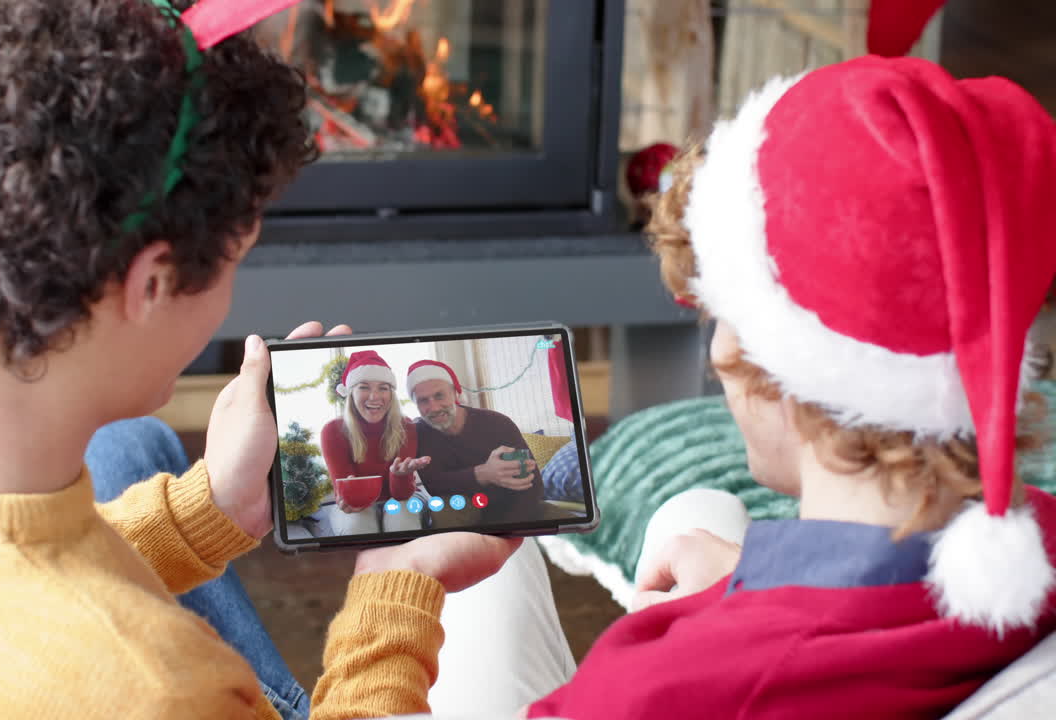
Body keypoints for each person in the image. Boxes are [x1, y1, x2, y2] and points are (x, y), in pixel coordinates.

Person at [0, 0, 521, 718]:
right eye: (238, 259)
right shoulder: (162, 690)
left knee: (131, 446)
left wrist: (215, 507)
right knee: (510, 597)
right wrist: (395, 582)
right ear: (153, 283)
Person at [325, 55, 1056, 720]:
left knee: (475, 585)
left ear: (744, 352)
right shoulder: (1036, 552)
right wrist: (746, 581)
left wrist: (392, 586)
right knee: (697, 511)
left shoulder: (661, 690)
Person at [406, 359, 546, 526]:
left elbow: (532, 485)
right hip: (463, 509)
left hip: (514, 509)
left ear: (455, 393)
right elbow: (435, 485)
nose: (434, 407)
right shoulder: (419, 434)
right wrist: (483, 474)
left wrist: (506, 529)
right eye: (423, 400)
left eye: (439, 395)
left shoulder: (497, 423)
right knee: (443, 510)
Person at [319, 351, 429, 535]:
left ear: (391, 394)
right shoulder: (333, 431)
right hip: (360, 502)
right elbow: (346, 496)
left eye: (383, 388)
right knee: (356, 526)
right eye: (364, 387)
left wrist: (399, 475)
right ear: (351, 393)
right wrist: (347, 496)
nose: (374, 397)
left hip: (402, 497)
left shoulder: (406, 426)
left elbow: (402, 494)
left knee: (400, 520)